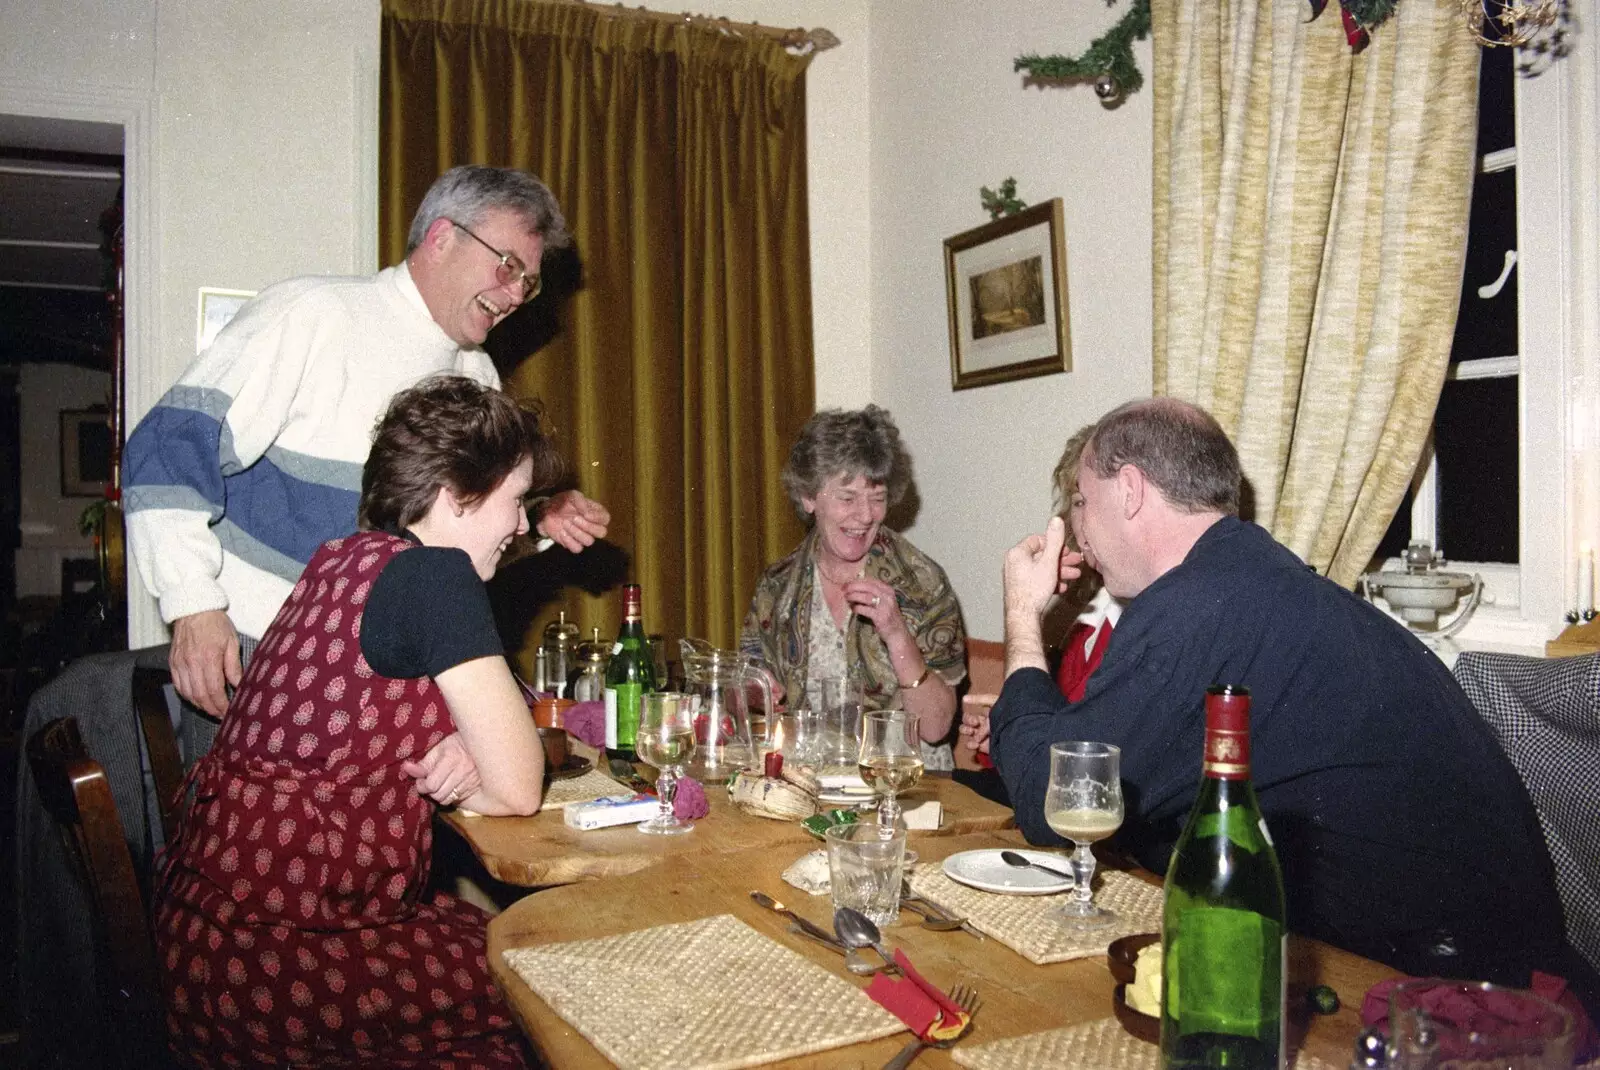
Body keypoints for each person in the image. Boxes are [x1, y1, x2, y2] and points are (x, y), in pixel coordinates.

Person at [984, 396, 1571, 987]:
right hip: (1475, 964)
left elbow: (1053, 801)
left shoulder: (1199, 604)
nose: (1077, 529)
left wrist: (1022, 611)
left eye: (1082, 501)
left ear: (1130, 490)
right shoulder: (1256, 581)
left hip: (1445, 1001)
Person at [155, 376, 561, 1068]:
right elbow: (520, 790)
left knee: (508, 944)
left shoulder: (339, 561)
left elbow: (499, 714)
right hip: (287, 962)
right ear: (454, 495)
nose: (523, 528)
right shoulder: (437, 577)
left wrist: (478, 740)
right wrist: (494, 750)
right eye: (516, 502)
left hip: (203, 938)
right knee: (553, 982)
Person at [124, 165, 610, 729]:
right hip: (261, 663)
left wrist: (539, 516)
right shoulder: (313, 314)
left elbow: (454, 538)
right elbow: (166, 451)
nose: (514, 295)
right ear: (441, 237)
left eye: (527, 282)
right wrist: (193, 605)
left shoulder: (477, 376)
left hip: (385, 677)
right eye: (507, 267)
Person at [740, 405, 966, 769]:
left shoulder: (921, 583)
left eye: (877, 498)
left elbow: (937, 727)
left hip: (905, 784)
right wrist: (756, 690)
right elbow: (750, 689)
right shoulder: (777, 585)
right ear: (809, 497)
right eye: (847, 498)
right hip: (809, 783)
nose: (865, 515)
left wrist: (896, 633)